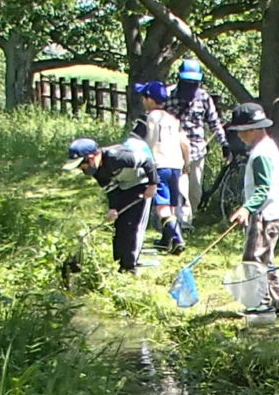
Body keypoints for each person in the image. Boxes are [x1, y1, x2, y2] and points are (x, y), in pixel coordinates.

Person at [224, 102, 279, 318]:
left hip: (265, 214)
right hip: (276, 210)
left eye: (241, 132)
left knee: (253, 259)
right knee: (266, 258)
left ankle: (261, 306)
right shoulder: (270, 147)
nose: (239, 137)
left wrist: (247, 208)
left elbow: (263, 189)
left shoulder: (261, 154)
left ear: (252, 129)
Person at [69, 133, 154, 273]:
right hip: (124, 185)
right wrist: (113, 208)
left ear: (91, 158)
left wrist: (152, 185)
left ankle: (130, 265)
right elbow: (112, 189)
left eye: (81, 165)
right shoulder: (97, 171)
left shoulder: (117, 157)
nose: (81, 169)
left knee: (134, 225)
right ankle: (119, 261)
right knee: (120, 224)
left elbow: (147, 162)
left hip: (142, 182)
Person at [137, 81, 189, 254]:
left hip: (158, 164)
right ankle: (166, 240)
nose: (143, 100)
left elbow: (136, 142)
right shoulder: (173, 119)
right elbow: (185, 143)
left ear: (150, 100)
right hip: (175, 165)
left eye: (144, 97)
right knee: (171, 204)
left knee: (162, 206)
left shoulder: (146, 118)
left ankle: (177, 238)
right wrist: (186, 163)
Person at [173, 60, 225, 224]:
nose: (190, 85)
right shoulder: (169, 95)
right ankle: (180, 225)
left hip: (197, 151)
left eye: (193, 82)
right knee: (180, 190)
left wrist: (224, 144)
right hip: (174, 152)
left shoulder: (204, 97)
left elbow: (214, 122)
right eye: (186, 81)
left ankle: (189, 218)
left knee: (194, 192)